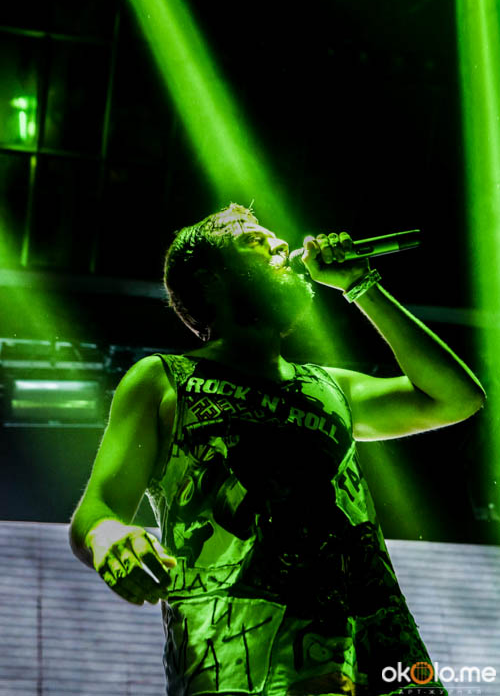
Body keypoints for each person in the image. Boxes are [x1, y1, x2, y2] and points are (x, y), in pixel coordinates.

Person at [69, 203, 484, 696]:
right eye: (254, 240)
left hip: (380, 665)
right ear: (210, 279)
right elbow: (96, 509)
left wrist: (361, 285)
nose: (282, 245)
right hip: (240, 668)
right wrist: (109, 536)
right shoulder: (163, 380)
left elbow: (457, 399)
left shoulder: (331, 386)